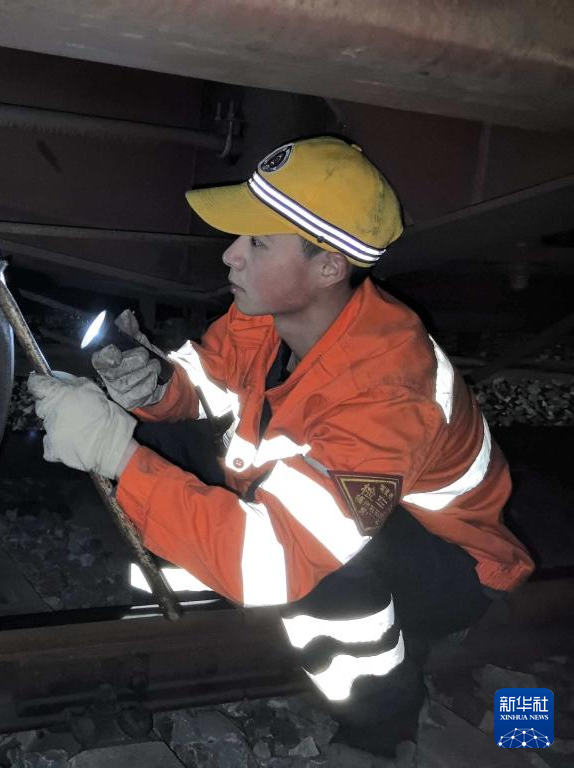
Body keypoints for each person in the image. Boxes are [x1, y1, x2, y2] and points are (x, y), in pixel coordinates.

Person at [27, 136, 534, 756]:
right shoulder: (270, 313)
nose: (230, 255)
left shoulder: (388, 393)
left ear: (329, 267)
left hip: (446, 566)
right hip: (359, 520)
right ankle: (219, 579)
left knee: (323, 574)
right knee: (158, 442)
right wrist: (157, 387)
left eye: (258, 242)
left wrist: (114, 453)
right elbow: (214, 386)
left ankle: (382, 725)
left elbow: (284, 555)